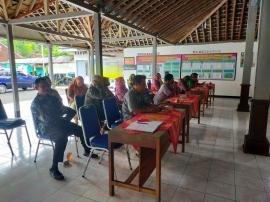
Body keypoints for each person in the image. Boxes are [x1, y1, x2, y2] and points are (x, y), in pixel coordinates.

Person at [31, 78, 98, 181]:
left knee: (79, 129)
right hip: (46, 128)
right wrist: (63, 117)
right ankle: (54, 168)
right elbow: (47, 119)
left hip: (58, 123)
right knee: (61, 138)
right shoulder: (36, 104)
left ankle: (87, 150)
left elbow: (64, 110)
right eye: (43, 86)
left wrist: (66, 116)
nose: (46, 88)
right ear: (36, 88)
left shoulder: (52, 98)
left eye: (47, 86)